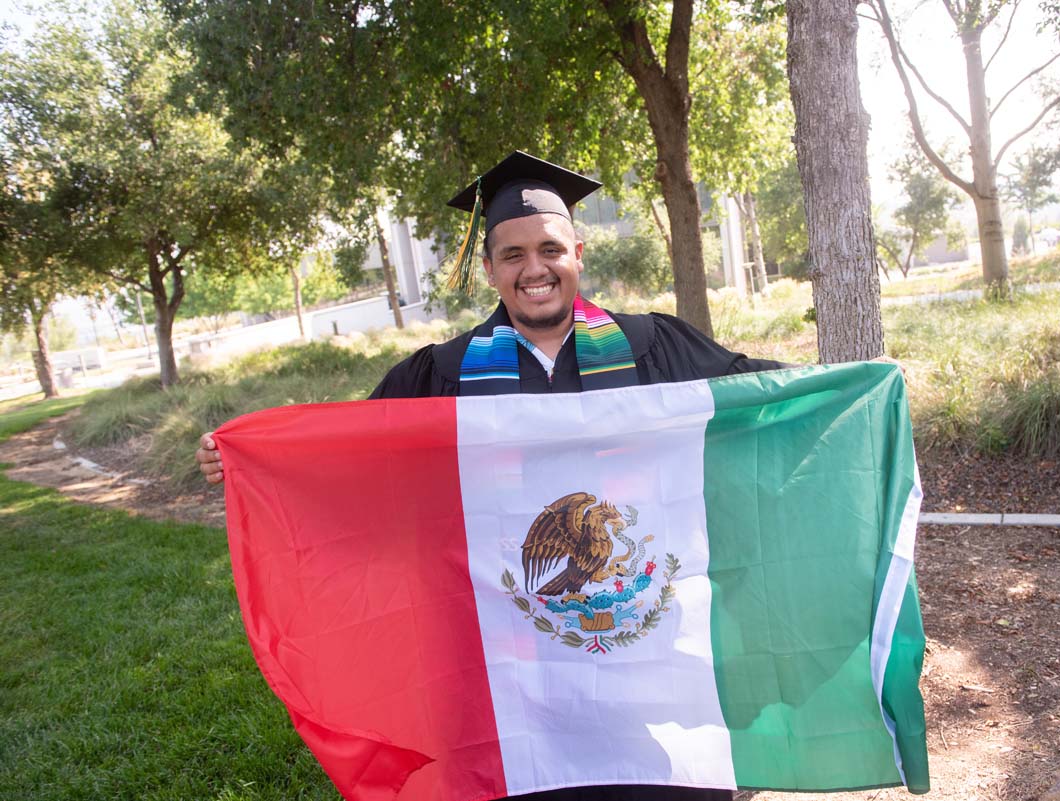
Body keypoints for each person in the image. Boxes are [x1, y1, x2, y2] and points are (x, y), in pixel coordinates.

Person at [196, 152, 787, 800]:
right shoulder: (442, 375)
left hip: (638, 643)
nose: (534, 269)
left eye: (550, 249)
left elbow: (755, 395)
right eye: (513, 255)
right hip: (506, 661)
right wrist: (249, 458)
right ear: (489, 270)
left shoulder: (653, 347)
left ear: (577, 253)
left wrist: (847, 387)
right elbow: (348, 455)